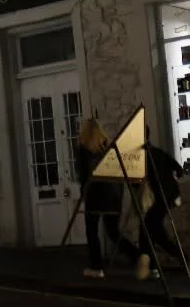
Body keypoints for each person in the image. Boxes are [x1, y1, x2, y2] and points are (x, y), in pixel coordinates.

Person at [75, 118, 141, 278]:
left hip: (94, 193)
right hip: (113, 194)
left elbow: (82, 174)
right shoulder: (109, 148)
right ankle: (140, 257)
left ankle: (96, 266)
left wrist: (83, 191)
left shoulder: (83, 149)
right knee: (113, 231)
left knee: (91, 231)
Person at [136, 142, 186, 280]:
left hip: (161, 198)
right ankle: (154, 264)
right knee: (155, 231)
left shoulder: (142, 156)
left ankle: (148, 261)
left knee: (147, 227)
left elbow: (136, 182)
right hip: (170, 196)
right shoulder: (158, 151)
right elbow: (179, 170)